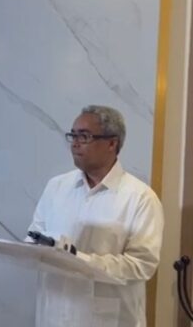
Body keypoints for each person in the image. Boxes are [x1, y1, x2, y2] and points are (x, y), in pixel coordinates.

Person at [27, 105, 164, 327]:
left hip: (108, 319)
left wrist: (82, 261)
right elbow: (33, 239)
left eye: (84, 136)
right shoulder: (56, 187)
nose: (75, 143)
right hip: (54, 314)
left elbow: (141, 265)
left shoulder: (140, 197)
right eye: (73, 135)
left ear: (112, 143)